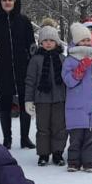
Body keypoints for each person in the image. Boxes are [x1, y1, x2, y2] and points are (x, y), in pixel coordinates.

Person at [0, 0, 36, 149]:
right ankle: (7, 139)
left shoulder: (24, 21)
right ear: (0, 3)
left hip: (23, 67)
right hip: (3, 67)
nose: (7, 2)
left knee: (24, 102)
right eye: (4, 0)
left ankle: (25, 138)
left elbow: (31, 45)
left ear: (15, 2)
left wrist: (34, 64)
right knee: (5, 102)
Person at [62, 23, 92, 172]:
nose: (86, 43)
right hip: (76, 105)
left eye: (88, 40)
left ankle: (89, 162)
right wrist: (80, 69)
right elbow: (69, 81)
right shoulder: (69, 60)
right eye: (83, 40)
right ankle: (74, 162)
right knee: (76, 137)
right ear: (76, 42)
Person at [25, 19, 67, 167]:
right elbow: (30, 81)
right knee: (43, 128)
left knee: (59, 127)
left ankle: (58, 153)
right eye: (45, 40)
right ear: (40, 42)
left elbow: (68, 80)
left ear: (57, 42)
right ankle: (43, 154)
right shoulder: (36, 59)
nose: (48, 43)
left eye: (51, 40)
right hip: (41, 99)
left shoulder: (62, 59)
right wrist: (28, 100)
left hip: (60, 99)